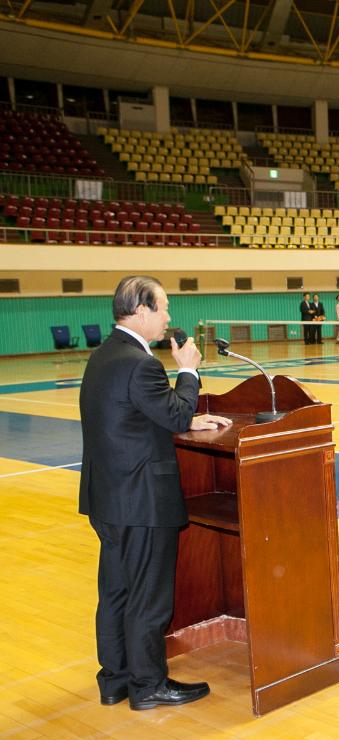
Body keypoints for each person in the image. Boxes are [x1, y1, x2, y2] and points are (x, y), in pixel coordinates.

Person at [79, 275, 231, 711]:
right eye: (163, 308)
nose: (169, 317)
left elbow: (151, 414)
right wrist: (188, 369)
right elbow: (178, 409)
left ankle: (116, 679)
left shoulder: (104, 356)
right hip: (141, 501)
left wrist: (184, 419)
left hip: (108, 498)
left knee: (117, 591)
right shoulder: (140, 363)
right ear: (142, 310)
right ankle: (148, 684)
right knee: (148, 595)